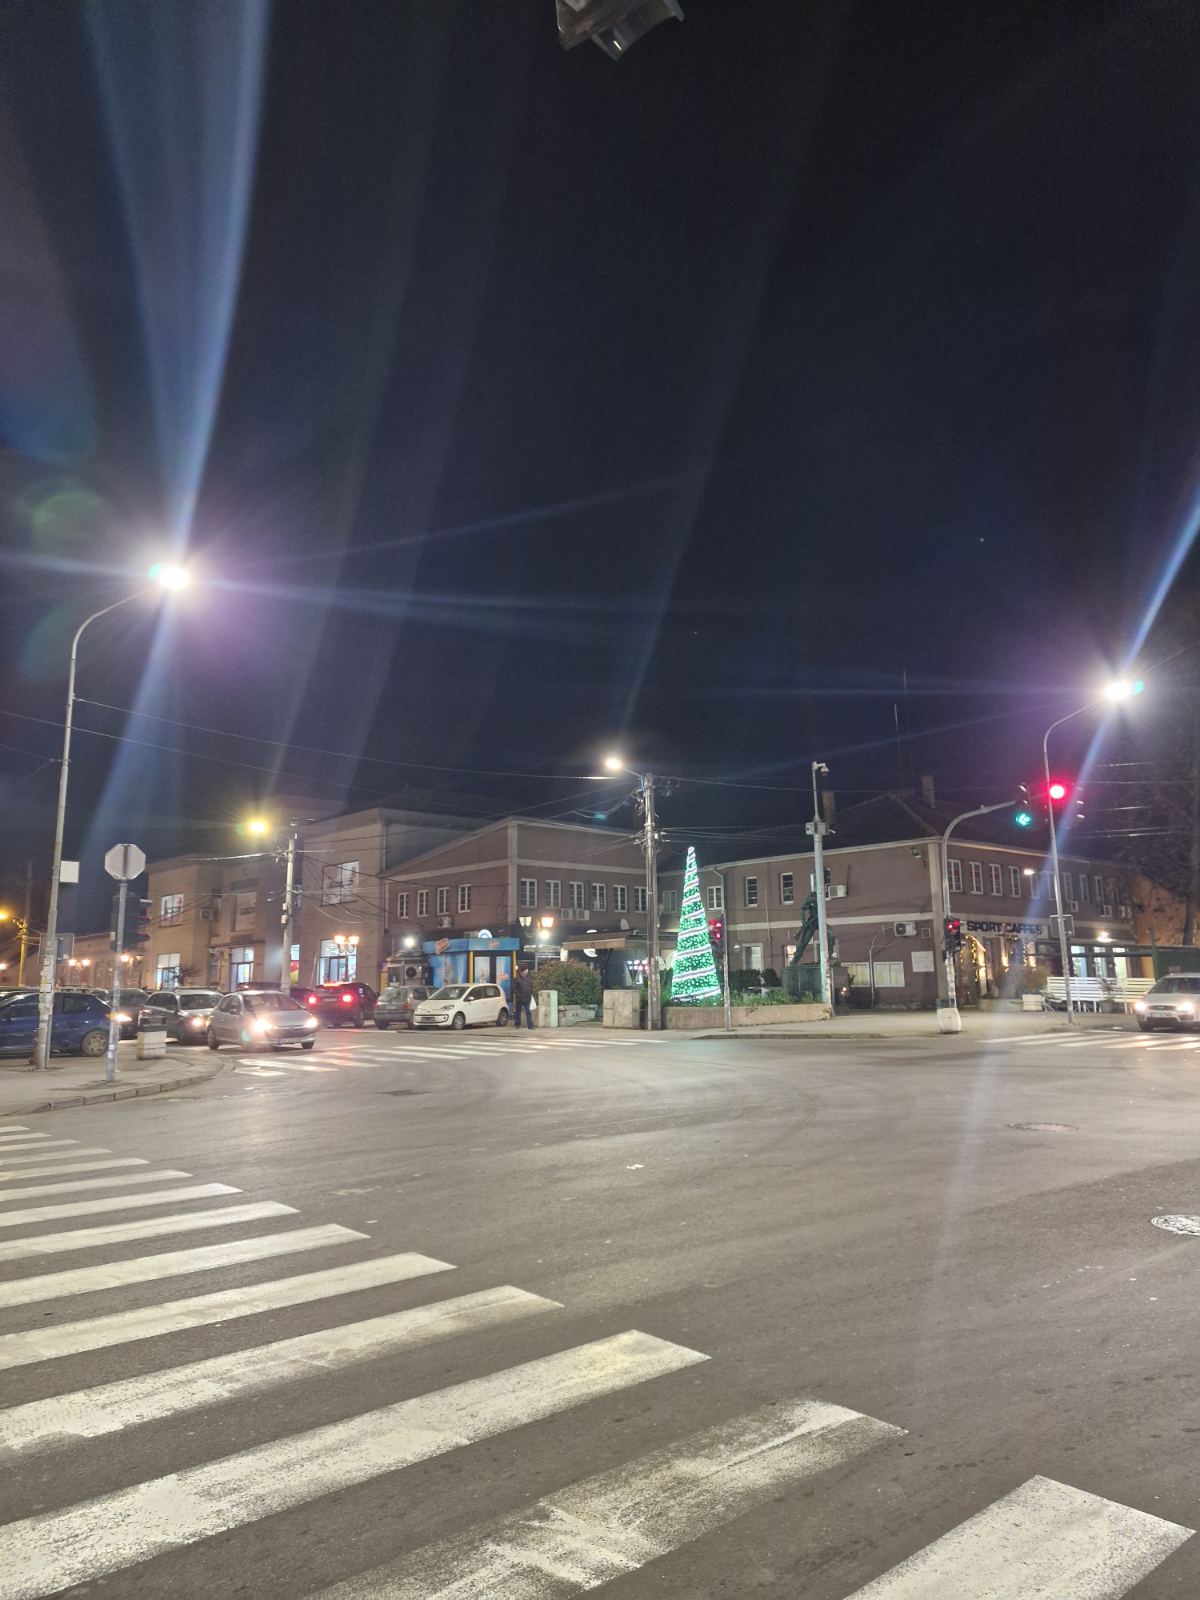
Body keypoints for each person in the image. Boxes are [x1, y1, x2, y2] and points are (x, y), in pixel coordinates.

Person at [512, 965, 534, 1029]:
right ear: (522, 971)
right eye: (526, 970)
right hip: (519, 999)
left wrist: (530, 994)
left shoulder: (528, 979)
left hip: (527, 998)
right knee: (518, 1012)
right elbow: (514, 988)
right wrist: (518, 995)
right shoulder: (517, 979)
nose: (527, 971)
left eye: (527, 970)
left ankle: (530, 1025)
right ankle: (517, 1024)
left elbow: (531, 986)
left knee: (528, 1012)